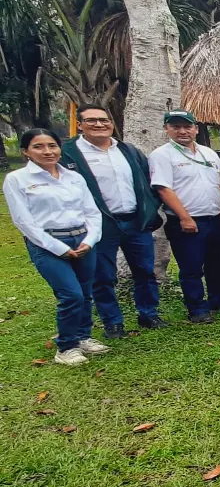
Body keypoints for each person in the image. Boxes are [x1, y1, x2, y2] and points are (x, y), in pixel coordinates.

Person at [59, 105, 164, 337]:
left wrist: (150, 208)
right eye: (92, 120)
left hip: (135, 221)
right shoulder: (68, 153)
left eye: (104, 120)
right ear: (80, 124)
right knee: (103, 275)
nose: (99, 125)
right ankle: (112, 322)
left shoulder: (126, 150)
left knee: (146, 271)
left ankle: (149, 313)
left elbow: (148, 181)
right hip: (99, 224)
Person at [4, 129, 105, 365]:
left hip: (81, 240)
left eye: (52, 145)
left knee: (86, 293)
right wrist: (57, 248)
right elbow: (23, 221)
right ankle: (66, 347)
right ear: (26, 152)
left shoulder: (74, 177)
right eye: (38, 147)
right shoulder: (18, 180)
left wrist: (90, 240)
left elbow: (92, 212)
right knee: (71, 294)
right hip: (47, 244)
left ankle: (82, 336)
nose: (47, 151)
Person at [148, 110, 220, 323]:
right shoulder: (162, 155)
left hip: (215, 217)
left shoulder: (208, 152)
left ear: (196, 129)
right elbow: (163, 189)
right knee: (191, 267)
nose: (182, 131)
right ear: (166, 129)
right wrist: (184, 217)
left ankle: (219, 299)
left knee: (218, 262)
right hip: (186, 220)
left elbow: (218, 181)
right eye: (175, 127)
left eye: (187, 126)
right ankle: (197, 308)